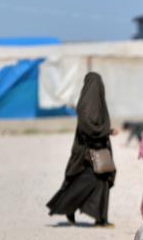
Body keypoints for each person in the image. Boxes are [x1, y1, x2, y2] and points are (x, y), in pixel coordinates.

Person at [47, 72, 117, 227]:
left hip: (95, 152)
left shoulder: (93, 104)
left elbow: (95, 126)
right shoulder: (87, 106)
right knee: (87, 182)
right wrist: (106, 131)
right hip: (86, 154)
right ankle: (91, 216)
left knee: (97, 182)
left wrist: (107, 131)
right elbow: (89, 127)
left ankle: (97, 218)